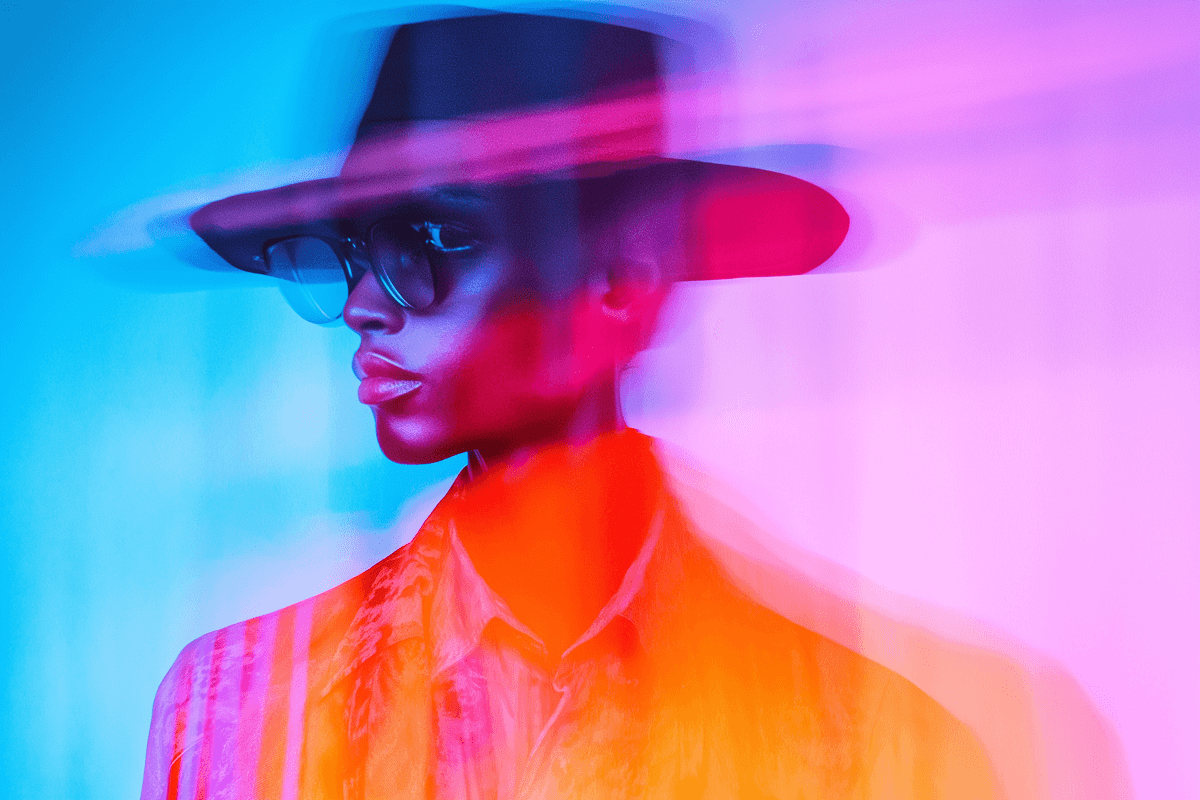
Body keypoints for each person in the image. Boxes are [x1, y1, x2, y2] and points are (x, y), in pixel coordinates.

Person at [140, 10, 999, 800]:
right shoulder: (234, 710)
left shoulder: (881, 749)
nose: (364, 303)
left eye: (434, 240)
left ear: (625, 280)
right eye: (353, 252)